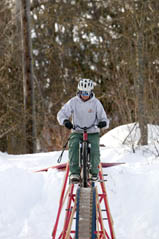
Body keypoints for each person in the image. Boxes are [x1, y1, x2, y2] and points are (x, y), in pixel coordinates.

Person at [57, 79, 109, 183]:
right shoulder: (73, 102)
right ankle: (75, 173)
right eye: (83, 92)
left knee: (95, 150)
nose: (85, 95)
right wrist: (65, 121)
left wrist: (103, 123)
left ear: (91, 92)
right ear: (79, 91)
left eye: (87, 93)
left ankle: (94, 172)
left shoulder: (96, 103)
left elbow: (104, 119)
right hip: (77, 130)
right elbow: (61, 114)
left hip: (92, 131)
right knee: (73, 146)